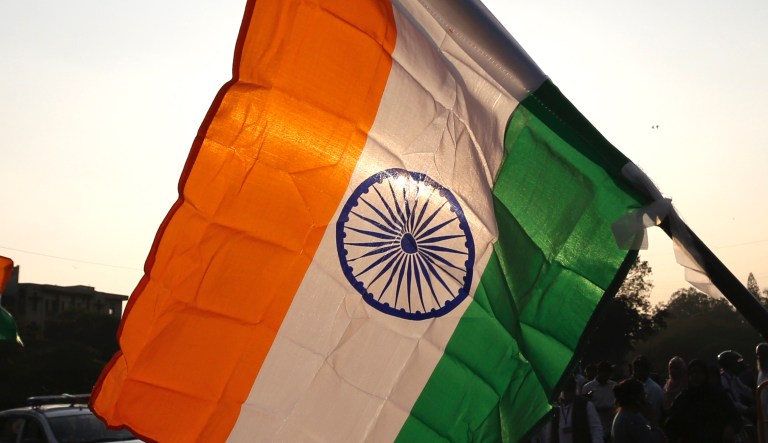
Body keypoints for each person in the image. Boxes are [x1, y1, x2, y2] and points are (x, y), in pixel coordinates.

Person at [664, 359, 741, 443]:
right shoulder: (684, 398)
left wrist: (730, 428)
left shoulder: (718, 396)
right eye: (692, 373)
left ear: (705, 374)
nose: (695, 375)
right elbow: (670, 425)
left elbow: (735, 417)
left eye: (699, 372)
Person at [540, 375, 604, 443]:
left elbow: (596, 429)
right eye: (566, 389)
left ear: (574, 388)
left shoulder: (586, 405)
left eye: (570, 388)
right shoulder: (554, 409)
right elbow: (548, 435)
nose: (568, 392)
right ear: (561, 390)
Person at [611, 379, 664, 443]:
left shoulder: (622, 415)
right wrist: (653, 420)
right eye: (644, 395)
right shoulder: (632, 418)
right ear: (637, 398)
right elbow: (653, 440)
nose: (646, 399)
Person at [583, 361, 616, 441]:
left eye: (608, 374)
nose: (606, 376)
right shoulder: (588, 387)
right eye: (604, 373)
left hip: (611, 426)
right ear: (599, 372)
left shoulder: (614, 386)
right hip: (595, 426)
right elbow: (583, 406)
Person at [631, 356, 665, 426]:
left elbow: (651, 413)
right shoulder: (640, 386)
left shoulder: (653, 389)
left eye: (637, 370)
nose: (634, 374)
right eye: (634, 370)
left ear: (646, 370)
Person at [756, 343, 768, 442]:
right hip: (762, 415)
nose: (760, 357)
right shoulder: (760, 372)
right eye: (758, 354)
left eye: (762, 354)